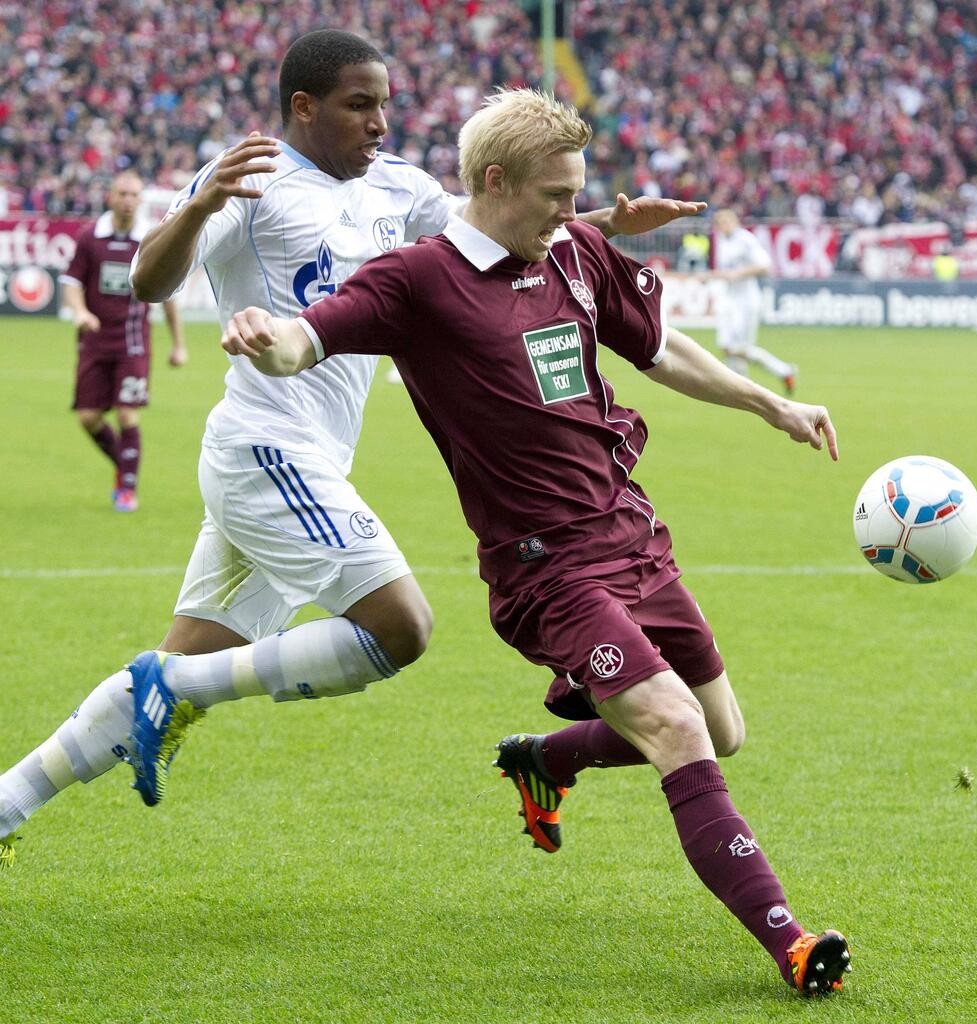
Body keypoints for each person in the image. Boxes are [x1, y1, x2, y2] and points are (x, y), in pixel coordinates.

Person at [0, 31, 704, 866]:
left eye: (386, 104)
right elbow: (151, 280)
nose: (380, 123)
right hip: (265, 446)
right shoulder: (250, 179)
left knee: (182, 664)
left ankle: (9, 804)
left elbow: (492, 234)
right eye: (360, 105)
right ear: (305, 107)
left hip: (309, 462)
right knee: (399, 627)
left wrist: (599, 222)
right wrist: (196, 207)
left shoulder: (399, 188)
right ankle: (169, 693)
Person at [216, 89, 852, 996]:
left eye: (575, 193)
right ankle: (792, 943)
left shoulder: (576, 251)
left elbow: (660, 348)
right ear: (494, 180)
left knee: (721, 731)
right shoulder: (415, 281)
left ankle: (546, 757)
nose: (572, 211)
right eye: (556, 195)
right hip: (545, 569)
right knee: (674, 728)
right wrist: (262, 335)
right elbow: (305, 340)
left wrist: (772, 403)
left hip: (631, 534)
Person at [59, 169, 188, 512]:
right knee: (88, 418)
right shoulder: (90, 238)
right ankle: (125, 465)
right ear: (111, 197)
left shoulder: (149, 238)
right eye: (123, 194)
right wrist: (80, 312)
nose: (129, 201)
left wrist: (179, 344)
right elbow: (71, 283)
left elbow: (168, 294)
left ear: (141, 200)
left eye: (134, 195)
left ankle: (127, 489)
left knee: (128, 415)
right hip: (94, 342)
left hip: (132, 343)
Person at [703, 208, 797, 394]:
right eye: (719, 223)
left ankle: (780, 372)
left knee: (739, 349)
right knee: (728, 348)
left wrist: (738, 273)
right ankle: (740, 388)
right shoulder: (723, 240)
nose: (722, 226)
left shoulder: (745, 239)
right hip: (730, 299)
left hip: (746, 301)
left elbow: (765, 265)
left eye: (725, 221)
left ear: (735, 221)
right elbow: (727, 270)